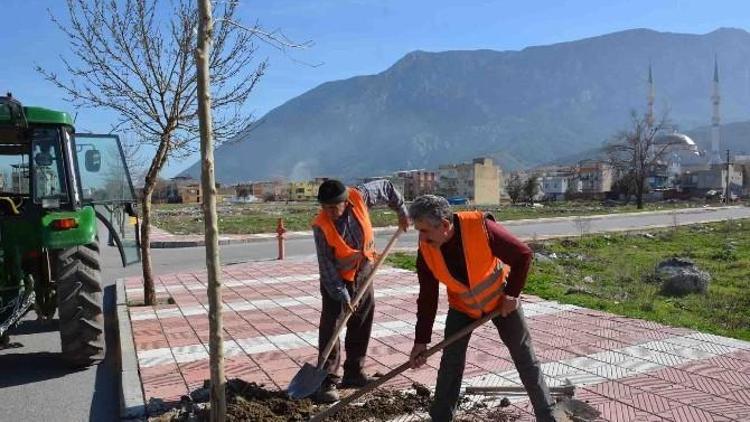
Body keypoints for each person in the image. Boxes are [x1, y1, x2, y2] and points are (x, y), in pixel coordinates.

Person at [407, 195, 558, 422]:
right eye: (418, 231)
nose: (421, 237)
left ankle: (547, 417)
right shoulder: (427, 248)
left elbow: (523, 255)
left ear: (445, 226)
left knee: (524, 357)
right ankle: (440, 417)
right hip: (463, 307)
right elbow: (427, 296)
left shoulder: (481, 227)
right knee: (451, 362)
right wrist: (421, 341)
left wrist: (512, 295)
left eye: (425, 231)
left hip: (501, 301)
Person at [312, 178, 409, 403]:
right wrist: (343, 295)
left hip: (364, 271)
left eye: (333, 207)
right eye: (325, 207)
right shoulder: (321, 226)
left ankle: (354, 373)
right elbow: (326, 267)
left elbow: (386, 187)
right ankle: (327, 380)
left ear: (345, 202)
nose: (329, 212)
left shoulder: (359, 196)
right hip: (336, 280)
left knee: (362, 318)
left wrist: (402, 211)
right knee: (332, 326)